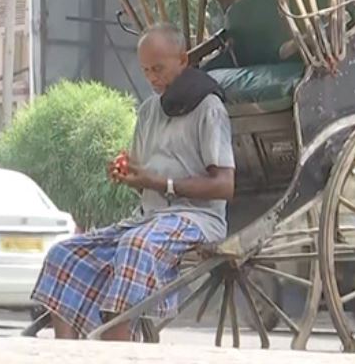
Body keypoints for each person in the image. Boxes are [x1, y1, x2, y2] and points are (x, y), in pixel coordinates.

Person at [30, 23, 235, 341]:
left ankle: (120, 349)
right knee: (64, 254)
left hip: (196, 218)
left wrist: (160, 183)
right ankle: (67, 353)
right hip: (149, 219)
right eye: (145, 70)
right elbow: (143, 176)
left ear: (182, 60)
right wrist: (130, 175)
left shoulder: (209, 108)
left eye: (159, 68)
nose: (152, 78)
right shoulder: (149, 110)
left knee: (135, 246)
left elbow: (224, 185)